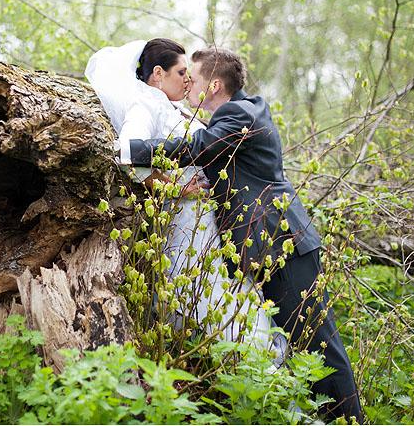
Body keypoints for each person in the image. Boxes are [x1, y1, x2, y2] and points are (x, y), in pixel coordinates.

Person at [127, 46, 363, 424]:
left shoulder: (240, 113)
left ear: (215, 85)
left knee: (318, 341)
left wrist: (132, 150)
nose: (188, 82)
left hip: (284, 245)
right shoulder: (239, 111)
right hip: (266, 248)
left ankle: (349, 420)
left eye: (196, 77)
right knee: (295, 341)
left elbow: (198, 148)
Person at [85, 38, 284, 353]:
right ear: (158, 75)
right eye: (181, 72)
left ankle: (249, 366)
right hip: (187, 219)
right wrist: (173, 188)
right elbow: (127, 154)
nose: (188, 79)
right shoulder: (145, 104)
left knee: (227, 292)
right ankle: (244, 361)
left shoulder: (173, 108)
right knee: (207, 296)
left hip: (208, 225)